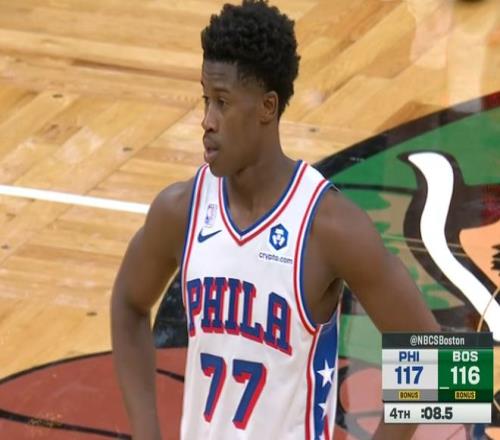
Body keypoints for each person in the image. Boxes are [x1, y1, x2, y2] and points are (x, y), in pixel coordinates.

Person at [111, 1, 440, 439]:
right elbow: (128, 303)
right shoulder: (181, 210)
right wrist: (146, 432)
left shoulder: (328, 227)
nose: (207, 121)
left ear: (267, 107)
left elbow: (438, 355)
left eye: (223, 102)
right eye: (206, 100)